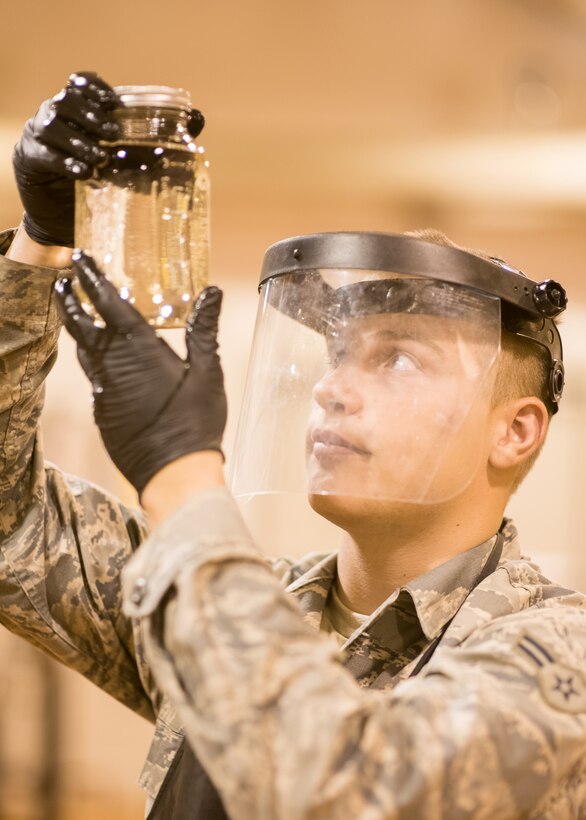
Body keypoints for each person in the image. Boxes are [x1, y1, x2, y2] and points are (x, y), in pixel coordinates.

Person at [1, 70, 585, 819]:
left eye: (398, 358)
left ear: (515, 431)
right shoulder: (252, 602)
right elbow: (11, 521)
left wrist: (181, 469)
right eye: (338, 353)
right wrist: (39, 245)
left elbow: (342, 792)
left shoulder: (555, 652)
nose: (331, 387)